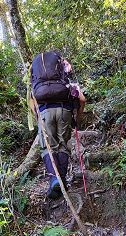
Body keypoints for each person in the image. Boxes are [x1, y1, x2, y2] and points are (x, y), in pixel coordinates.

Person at [29, 50, 86, 200]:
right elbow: (82, 100)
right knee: (63, 145)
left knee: (48, 146)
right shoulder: (66, 81)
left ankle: (54, 180)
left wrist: (38, 117)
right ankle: (62, 182)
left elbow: (31, 100)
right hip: (64, 111)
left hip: (44, 112)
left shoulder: (36, 82)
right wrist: (77, 118)